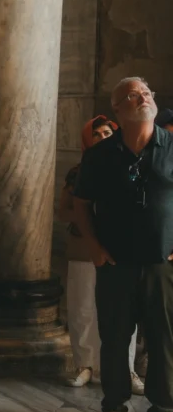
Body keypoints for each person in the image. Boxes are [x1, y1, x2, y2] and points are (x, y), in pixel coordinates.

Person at [73, 77, 173, 412]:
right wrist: (95, 248)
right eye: (134, 95)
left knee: (164, 338)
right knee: (114, 339)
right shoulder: (100, 155)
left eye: (147, 92)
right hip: (115, 264)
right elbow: (82, 205)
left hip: (162, 263)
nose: (144, 97)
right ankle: (114, 409)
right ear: (118, 109)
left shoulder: (172, 146)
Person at [60, 116, 144, 394]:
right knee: (83, 306)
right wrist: (90, 217)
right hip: (85, 246)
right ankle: (85, 365)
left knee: (123, 311)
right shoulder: (78, 172)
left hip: (122, 247)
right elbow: (63, 211)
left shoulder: (132, 166)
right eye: (96, 134)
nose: (103, 137)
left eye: (108, 132)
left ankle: (126, 369)